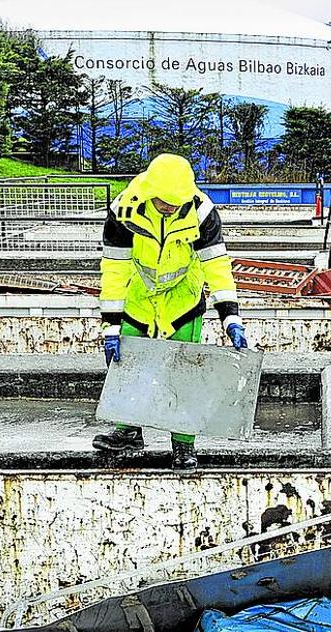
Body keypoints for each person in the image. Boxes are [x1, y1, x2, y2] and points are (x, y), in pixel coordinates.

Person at [92, 153, 248, 468]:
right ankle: (128, 430)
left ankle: (184, 445)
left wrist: (230, 316)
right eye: (165, 203)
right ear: (150, 192)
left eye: (177, 203)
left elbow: (216, 265)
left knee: (185, 372)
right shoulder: (124, 212)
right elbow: (115, 270)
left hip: (183, 301)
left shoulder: (202, 212)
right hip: (139, 298)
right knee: (130, 365)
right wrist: (111, 326)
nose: (171, 208)